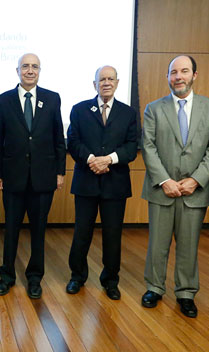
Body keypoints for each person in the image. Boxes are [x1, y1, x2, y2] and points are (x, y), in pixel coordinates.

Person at [140, 55, 209, 318]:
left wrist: (196, 179)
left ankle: (186, 292)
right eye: (173, 72)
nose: (178, 76)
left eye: (184, 71)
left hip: (194, 190)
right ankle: (154, 287)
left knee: (188, 245)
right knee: (158, 244)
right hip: (161, 188)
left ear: (194, 75)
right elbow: (148, 146)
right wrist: (164, 180)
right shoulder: (154, 108)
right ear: (167, 77)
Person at [0, 53, 66, 299]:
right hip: (12, 178)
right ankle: (7, 276)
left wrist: (60, 171)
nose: (30, 70)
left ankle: (35, 278)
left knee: (38, 230)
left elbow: (58, 138)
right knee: (10, 229)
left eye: (34, 67)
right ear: (18, 71)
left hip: (43, 178)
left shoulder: (52, 99)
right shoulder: (3, 101)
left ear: (39, 71)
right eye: (26, 66)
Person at [66, 65, 137, 299]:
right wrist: (91, 160)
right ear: (94, 84)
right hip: (86, 181)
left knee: (113, 234)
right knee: (81, 232)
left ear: (117, 83)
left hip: (115, 183)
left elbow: (131, 147)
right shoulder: (79, 110)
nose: (106, 83)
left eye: (110, 79)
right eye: (102, 79)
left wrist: (109, 159)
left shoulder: (128, 113)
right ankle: (77, 276)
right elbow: (73, 142)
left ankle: (110, 280)